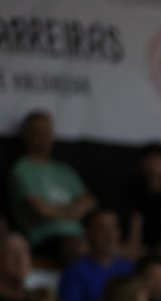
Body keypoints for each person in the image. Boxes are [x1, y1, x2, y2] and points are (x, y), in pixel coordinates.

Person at [7, 111, 96, 260]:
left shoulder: (64, 170)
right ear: (26, 135)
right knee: (81, 249)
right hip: (47, 238)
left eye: (47, 131)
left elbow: (90, 201)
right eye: (37, 131)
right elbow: (41, 212)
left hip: (79, 235)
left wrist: (55, 211)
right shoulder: (22, 170)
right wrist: (73, 211)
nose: (44, 136)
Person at [57, 208, 134, 301]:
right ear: (88, 234)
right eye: (102, 229)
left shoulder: (129, 268)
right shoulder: (76, 272)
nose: (110, 236)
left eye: (114, 228)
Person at [125, 142, 161, 261]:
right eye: (150, 161)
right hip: (143, 245)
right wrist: (134, 246)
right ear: (141, 164)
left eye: (158, 161)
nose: (154, 166)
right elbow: (135, 221)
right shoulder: (133, 189)